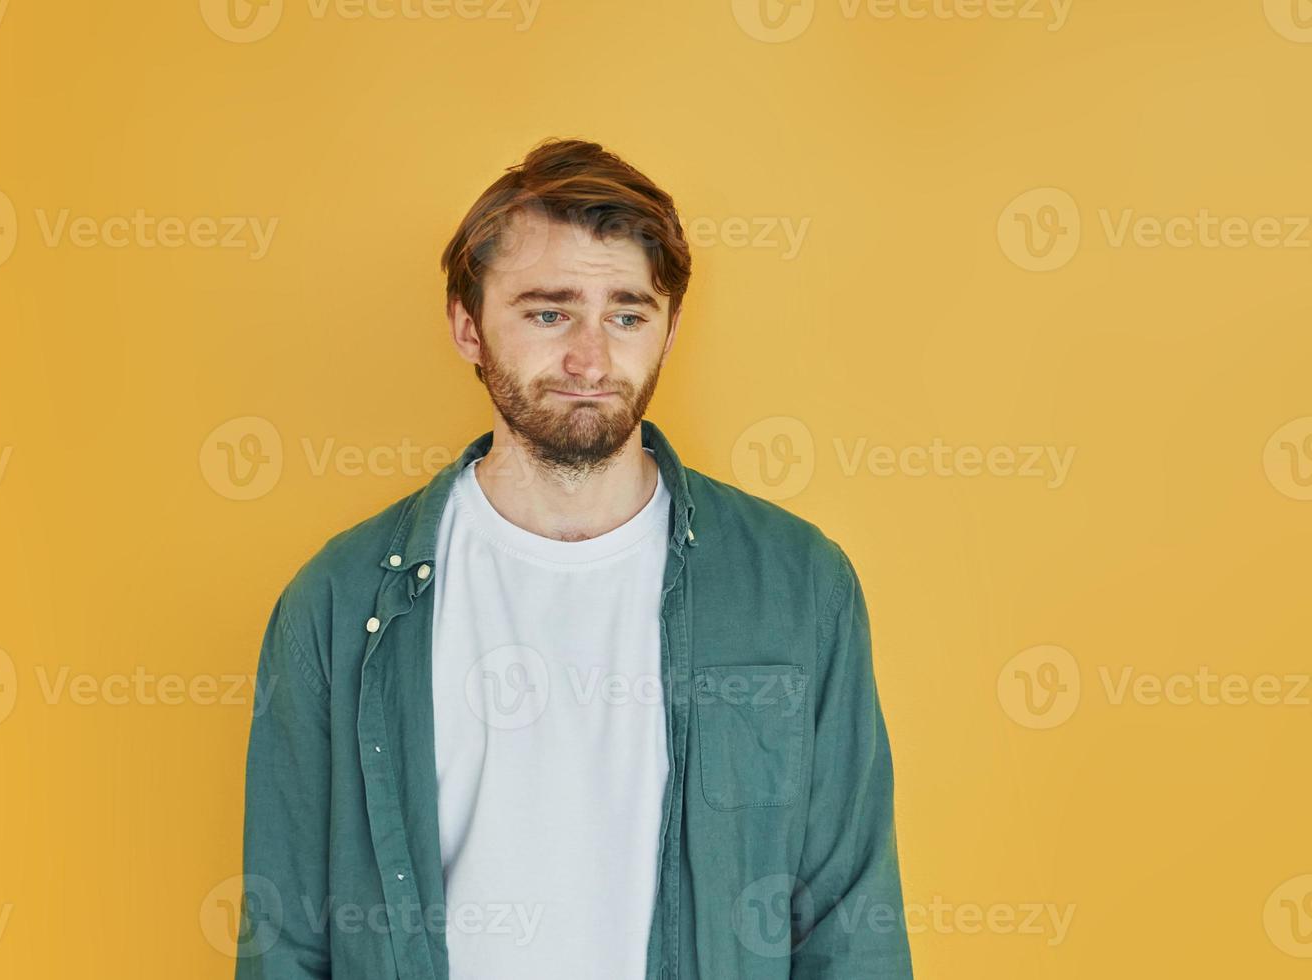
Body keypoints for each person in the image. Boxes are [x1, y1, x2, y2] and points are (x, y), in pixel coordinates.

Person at [235, 137, 913, 979]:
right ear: (466, 325)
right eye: (548, 312)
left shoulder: (798, 586)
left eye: (627, 315)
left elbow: (851, 928)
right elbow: (286, 941)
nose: (591, 360)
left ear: (667, 333)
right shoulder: (340, 601)